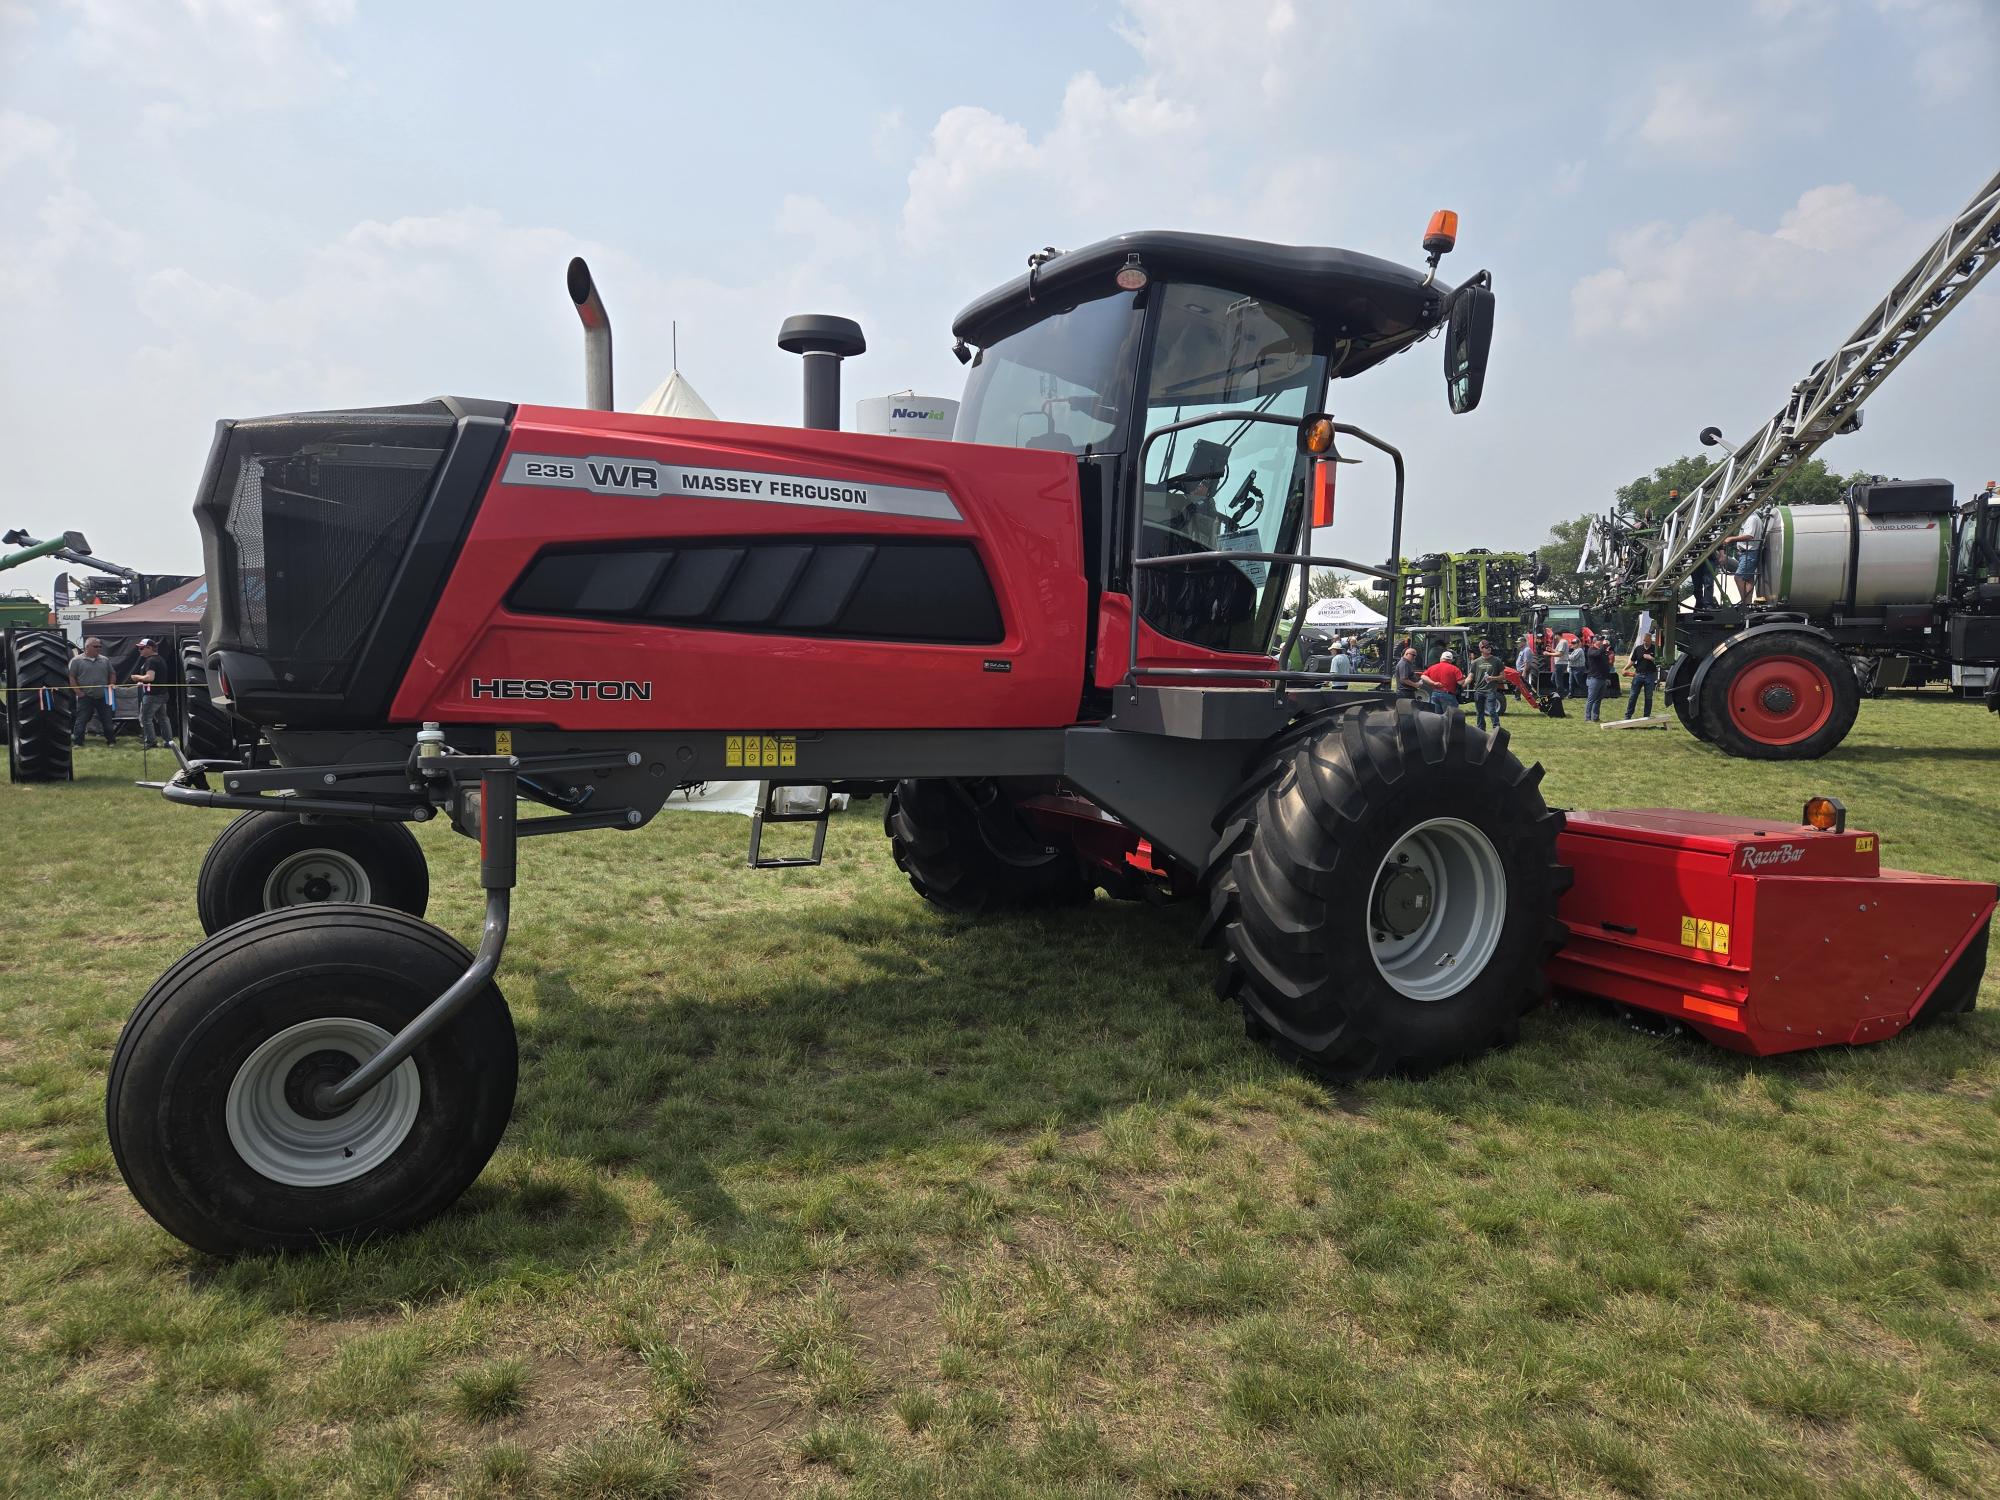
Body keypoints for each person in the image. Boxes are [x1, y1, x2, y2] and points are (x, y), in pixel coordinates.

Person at [68, 636, 118, 746]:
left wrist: (111, 685)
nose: (99, 648)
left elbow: (112, 673)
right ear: (87, 647)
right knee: (81, 720)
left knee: (107, 720)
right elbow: (72, 677)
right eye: (96, 646)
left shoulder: (105, 660)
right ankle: (78, 742)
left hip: (103, 696)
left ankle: (111, 741)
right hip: (85, 696)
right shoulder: (76, 661)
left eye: (100, 646)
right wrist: (78, 692)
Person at [130, 638, 176, 748]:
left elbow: (150, 677)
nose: (139, 650)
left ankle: (150, 742)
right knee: (163, 718)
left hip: (152, 696)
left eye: (141, 648)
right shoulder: (159, 659)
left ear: (149, 648)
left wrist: (137, 677)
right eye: (138, 648)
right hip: (162, 694)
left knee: (146, 718)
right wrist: (142, 682)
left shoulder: (151, 661)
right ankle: (168, 742)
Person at [1721, 514, 1767, 605]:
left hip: (1750, 552)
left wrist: (1731, 538)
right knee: (1748, 579)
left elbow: (1749, 536)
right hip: (1747, 552)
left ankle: (1745, 603)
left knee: (1738, 577)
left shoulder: (1751, 519)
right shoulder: (1750, 518)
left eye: (1740, 507)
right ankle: (1748, 604)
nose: (1738, 510)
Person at [1468, 639, 1505, 731]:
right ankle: (1481, 730)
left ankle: (1496, 729)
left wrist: (1493, 678)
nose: (1489, 648)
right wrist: (1463, 683)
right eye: (1486, 647)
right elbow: (1471, 676)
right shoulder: (1476, 662)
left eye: (1489, 646)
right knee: (1479, 712)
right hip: (1479, 691)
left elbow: (1503, 676)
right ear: (1481, 649)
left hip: (1490, 691)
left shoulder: (1497, 661)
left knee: (1492, 711)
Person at [1419, 649, 1464, 715]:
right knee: (1450, 717)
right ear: (1451, 660)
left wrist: (1433, 683)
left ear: (1441, 658)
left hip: (1435, 694)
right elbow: (1461, 682)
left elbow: (1423, 676)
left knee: (1437, 717)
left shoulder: (1433, 667)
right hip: (1448, 695)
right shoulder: (1455, 669)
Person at [1624, 636, 1658, 719]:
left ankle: (1646, 716)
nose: (1645, 642)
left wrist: (1651, 658)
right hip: (1638, 674)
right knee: (1633, 696)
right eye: (1644, 641)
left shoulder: (1655, 649)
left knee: (1648, 696)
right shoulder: (1638, 649)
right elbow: (1632, 661)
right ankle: (1628, 716)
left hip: (1650, 675)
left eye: (1647, 641)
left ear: (1651, 641)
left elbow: (1661, 661)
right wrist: (1625, 668)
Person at [1583, 635, 1614, 722]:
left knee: (1598, 700)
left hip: (1603, 678)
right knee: (1591, 699)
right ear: (1595, 641)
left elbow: (1606, 665)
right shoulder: (1591, 650)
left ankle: (1596, 717)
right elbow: (1597, 654)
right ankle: (1588, 718)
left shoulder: (1603, 651)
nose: (1602, 641)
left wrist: (1608, 677)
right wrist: (1604, 646)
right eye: (1600, 640)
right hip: (1594, 678)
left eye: (1603, 640)